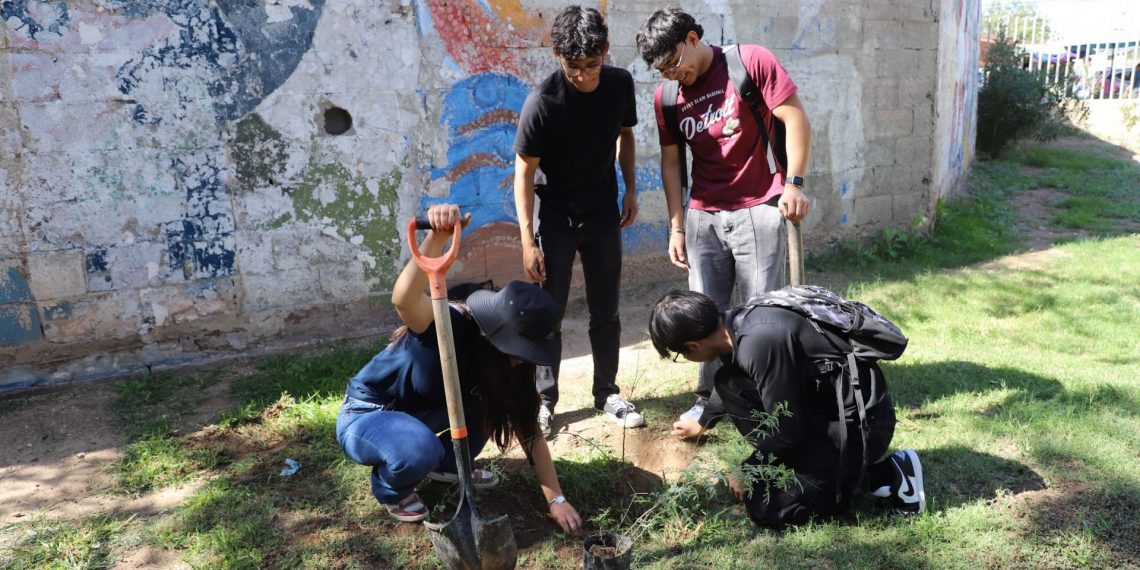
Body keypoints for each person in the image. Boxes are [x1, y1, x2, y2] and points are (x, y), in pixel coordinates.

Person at [335, 204, 582, 534]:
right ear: (497, 338)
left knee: (491, 403)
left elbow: (529, 429)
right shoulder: (449, 324)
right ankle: (392, 488)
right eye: (522, 350)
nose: (525, 359)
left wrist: (556, 499)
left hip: (427, 413)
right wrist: (437, 238)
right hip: (371, 414)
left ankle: (448, 467)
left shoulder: (510, 366)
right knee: (419, 449)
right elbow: (403, 299)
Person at [636, 8, 813, 430]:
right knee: (701, 316)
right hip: (703, 216)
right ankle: (709, 401)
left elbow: (795, 118)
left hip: (759, 207)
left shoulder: (749, 62)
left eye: (675, 62)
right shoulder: (667, 98)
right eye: (663, 70)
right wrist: (677, 225)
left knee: (761, 314)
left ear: (692, 38)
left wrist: (794, 184)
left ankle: (768, 399)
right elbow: (671, 163)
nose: (673, 74)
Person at [648, 290, 926, 526]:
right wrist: (703, 421)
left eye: (679, 354)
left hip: (862, 424)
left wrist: (750, 468)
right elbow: (731, 386)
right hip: (825, 409)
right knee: (725, 379)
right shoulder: (735, 325)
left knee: (768, 508)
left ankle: (891, 473)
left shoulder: (760, 341)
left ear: (692, 345)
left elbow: (786, 429)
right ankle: (806, 467)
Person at [513, 5, 644, 436]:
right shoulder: (542, 102)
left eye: (592, 64)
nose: (584, 75)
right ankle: (544, 401)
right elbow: (524, 173)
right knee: (547, 313)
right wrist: (528, 242)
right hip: (556, 218)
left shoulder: (620, 84)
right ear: (557, 55)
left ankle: (607, 392)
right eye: (574, 67)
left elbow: (626, 135)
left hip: (602, 213)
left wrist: (630, 189)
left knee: (606, 309)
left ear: (605, 50)